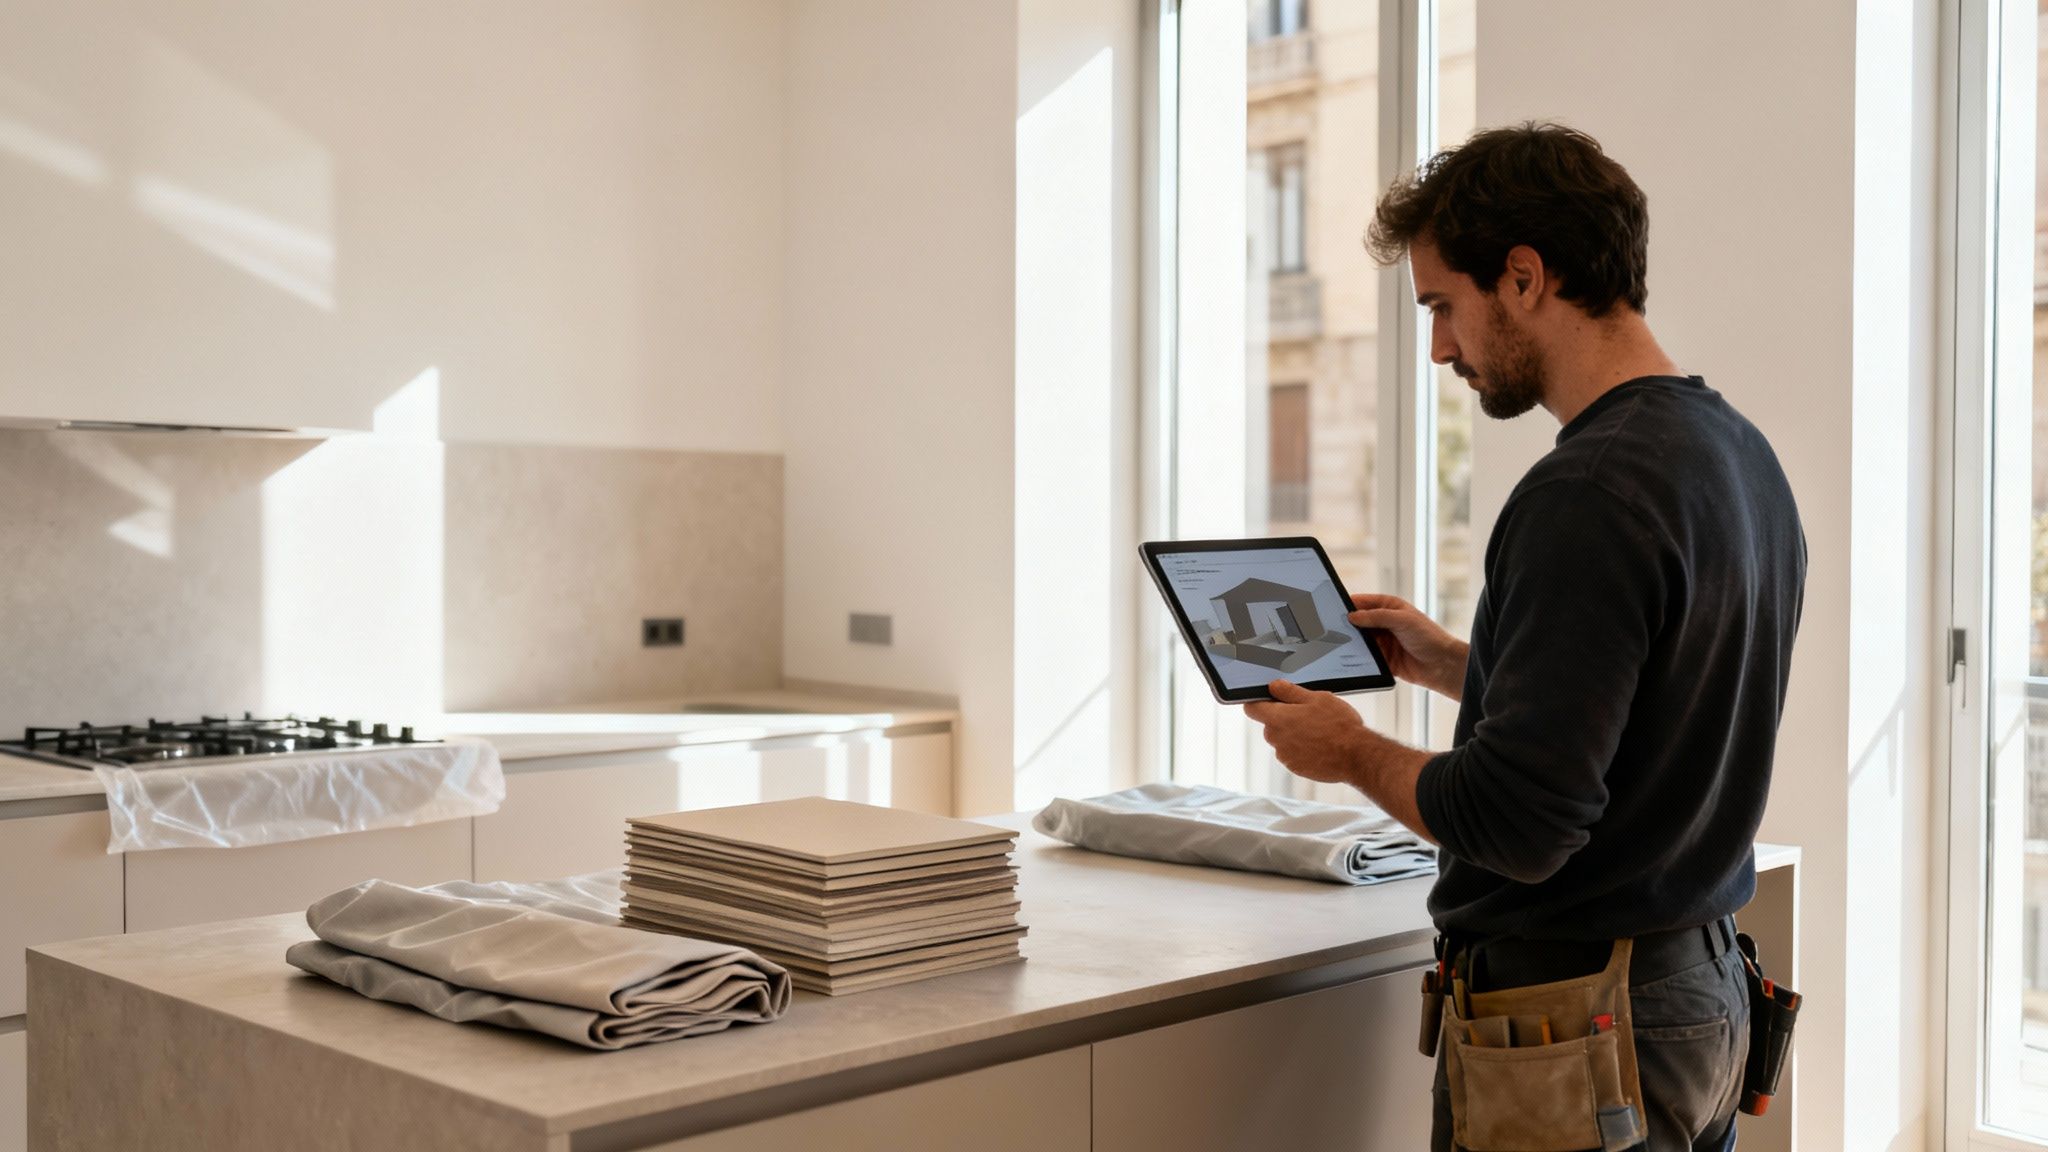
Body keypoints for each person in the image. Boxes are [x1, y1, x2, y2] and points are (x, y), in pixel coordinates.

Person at [1243, 122, 1806, 1151]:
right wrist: (1456, 664)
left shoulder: (1584, 490)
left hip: (1581, 1020)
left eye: (1441, 306)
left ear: (1522, 276)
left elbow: (1519, 823)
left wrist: (1350, 752)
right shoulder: (1732, 454)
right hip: (1695, 986)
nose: (1439, 349)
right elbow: (1655, 702)